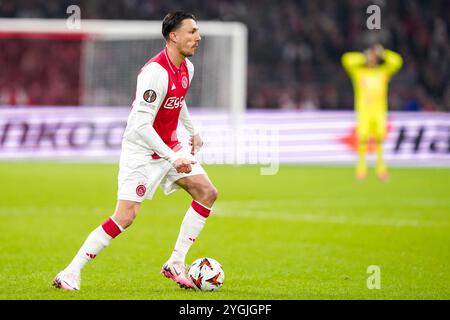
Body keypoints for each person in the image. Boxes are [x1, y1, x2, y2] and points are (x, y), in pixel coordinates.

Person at [53, 11, 217, 291]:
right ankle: (70, 272)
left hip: (169, 147)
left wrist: (192, 131)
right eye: (191, 32)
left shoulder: (186, 68)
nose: (198, 37)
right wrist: (172, 156)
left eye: (198, 31)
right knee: (125, 217)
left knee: (207, 192)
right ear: (173, 36)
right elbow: (140, 124)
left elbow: (178, 100)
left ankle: (176, 262)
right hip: (142, 151)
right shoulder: (155, 72)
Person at [341, 44, 403, 180]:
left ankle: (381, 171)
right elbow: (346, 59)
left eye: (373, 57)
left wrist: (383, 53)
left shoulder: (383, 72)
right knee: (362, 141)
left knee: (379, 142)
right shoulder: (359, 73)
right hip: (364, 112)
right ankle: (361, 170)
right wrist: (363, 56)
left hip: (379, 112)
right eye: (371, 57)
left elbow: (397, 61)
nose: (372, 59)